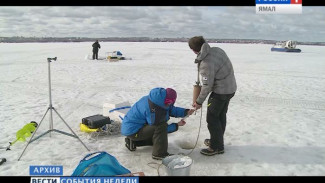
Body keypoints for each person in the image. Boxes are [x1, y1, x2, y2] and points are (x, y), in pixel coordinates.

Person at [188, 36, 237, 156]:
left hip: (221, 92)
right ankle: (217, 140)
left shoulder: (205, 63)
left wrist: (199, 102)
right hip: (230, 88)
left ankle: (216, 147)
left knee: (212, 118)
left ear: (194, 50)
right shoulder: (216, 49)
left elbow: (207, 86)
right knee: (220, 116)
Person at [121, 87, 195, 160]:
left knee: (158, 140)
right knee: (160, 129)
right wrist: (176, 125)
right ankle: (159, 154)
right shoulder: (152, 109)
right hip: (134, 131)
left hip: (134, 128)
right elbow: (159, 127)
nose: (171, 104)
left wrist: (185, 112)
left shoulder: (158, 100)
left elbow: (170, 109)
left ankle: (133, 142)